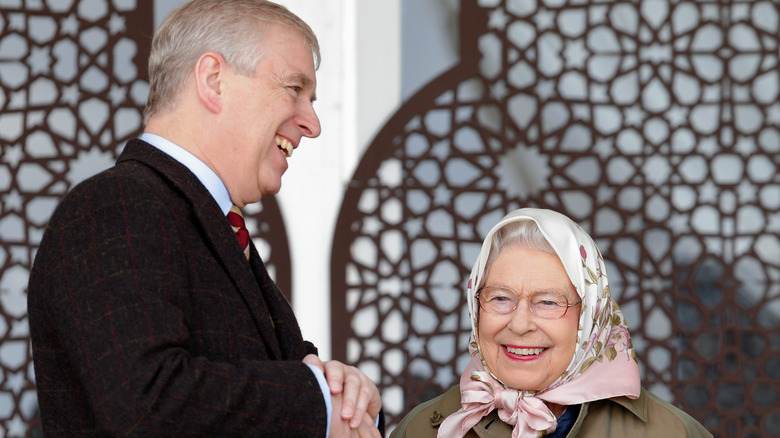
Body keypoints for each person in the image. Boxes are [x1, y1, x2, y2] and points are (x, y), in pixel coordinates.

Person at [27, 1, 382, 436]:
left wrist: (347, 397)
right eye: (294, 89)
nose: (313, 124)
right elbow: (148, 403)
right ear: (213, 81)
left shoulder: (208, 223)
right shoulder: (114, 205)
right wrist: (318, 402)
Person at [390, 208, 712, 437]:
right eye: (501, 298)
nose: (519, 324)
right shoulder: (425, 429)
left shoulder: (670, 433)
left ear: (589, 320)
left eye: (547, 302)